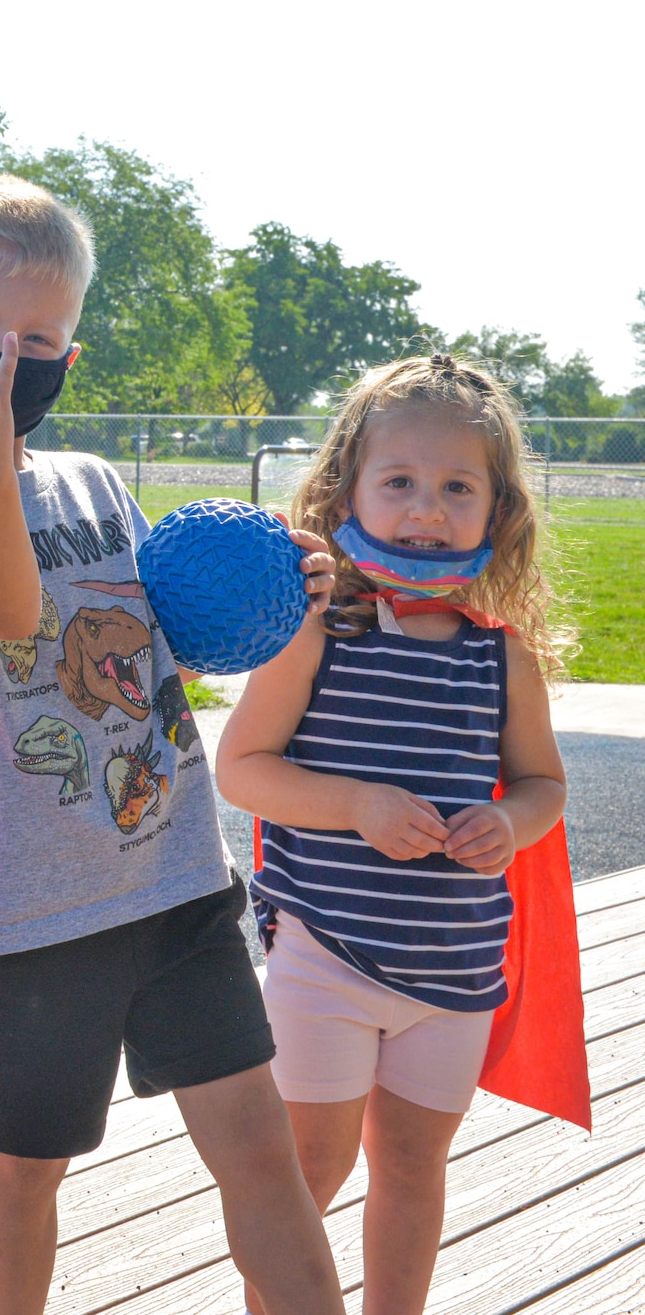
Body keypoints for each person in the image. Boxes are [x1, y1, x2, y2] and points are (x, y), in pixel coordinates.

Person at [0, 174, 347, 1314]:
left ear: (65, 363)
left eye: (35, 341)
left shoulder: (90, 480)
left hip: (175, 881)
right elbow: (8, 607)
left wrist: (274, 581)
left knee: (260, 1153)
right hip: (25, 912)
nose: (1, 361)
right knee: (27, 1171)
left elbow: (163, 633)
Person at [217, 353, 571, 1315]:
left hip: (454, 971)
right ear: (349, 491)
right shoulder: (318, 626)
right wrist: (361, 803)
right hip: (326, 953)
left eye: (458, 486)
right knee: (306, 1173)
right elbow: (242, 769)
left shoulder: (504, 655)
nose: (427, 507)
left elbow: (544, 784)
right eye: (400, 481)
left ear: (497, 510)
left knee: (415, 1168)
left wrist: (510, 818)